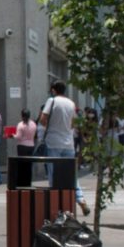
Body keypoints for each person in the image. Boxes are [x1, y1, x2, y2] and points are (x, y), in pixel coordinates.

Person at [37, 81, 91, 216]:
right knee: (70, 174)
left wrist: (52, 126)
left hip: (53, 142)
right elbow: (73, 124)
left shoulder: (52, 100)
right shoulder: (71, 103)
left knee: (53, 175)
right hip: (68, 143)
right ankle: (81, 199)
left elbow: (43, 119)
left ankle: (54, 206)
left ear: (53, 90)